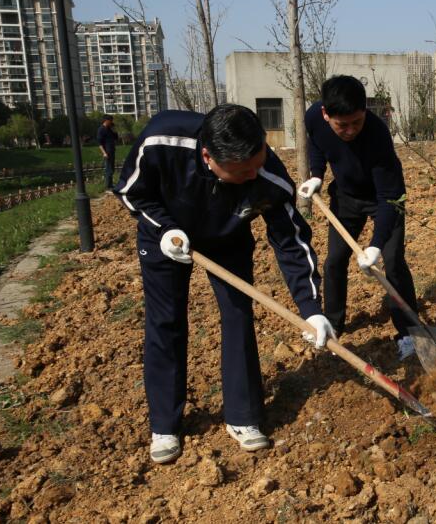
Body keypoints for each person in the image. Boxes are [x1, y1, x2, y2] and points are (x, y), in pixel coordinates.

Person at [113, 104, 334, 464]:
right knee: (165, 321)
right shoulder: (161, 140)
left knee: (237, 315)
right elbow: (130, 190)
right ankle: (165, 425)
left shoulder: (267, 175)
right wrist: (165, 228)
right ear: (208, 157)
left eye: (257, 163)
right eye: (243, 171)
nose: (253, 174)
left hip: (228, 237)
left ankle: (243, 416)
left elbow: (291, 242)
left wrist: (312, 309)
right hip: (166, 236)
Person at [297, 75, 418, 360]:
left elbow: (388, 197)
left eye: (357, 122)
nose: (351, 130)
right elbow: (317, 144)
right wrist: (317, 175)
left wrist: (375, 245)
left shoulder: (377, 135)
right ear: (326, 114)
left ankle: (409, 333)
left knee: (393, 261)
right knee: (334, 261)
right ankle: (333, 323)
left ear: (365, 111)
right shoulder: (314, 117)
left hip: (384, 199)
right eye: (342, 125)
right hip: (346, 198)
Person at [97, 114, 119, 189]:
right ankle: (108, 186)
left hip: (112, 151)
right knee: (108, 169)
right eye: (111, 120)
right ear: (106, 121)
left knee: (112, 169)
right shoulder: (101, 130)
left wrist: (114, 130)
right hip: (107, 152)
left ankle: (110, 184)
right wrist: (104, 153)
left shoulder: (109, 129)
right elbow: (99, 143)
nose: (112, 122)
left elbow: (116, 138)